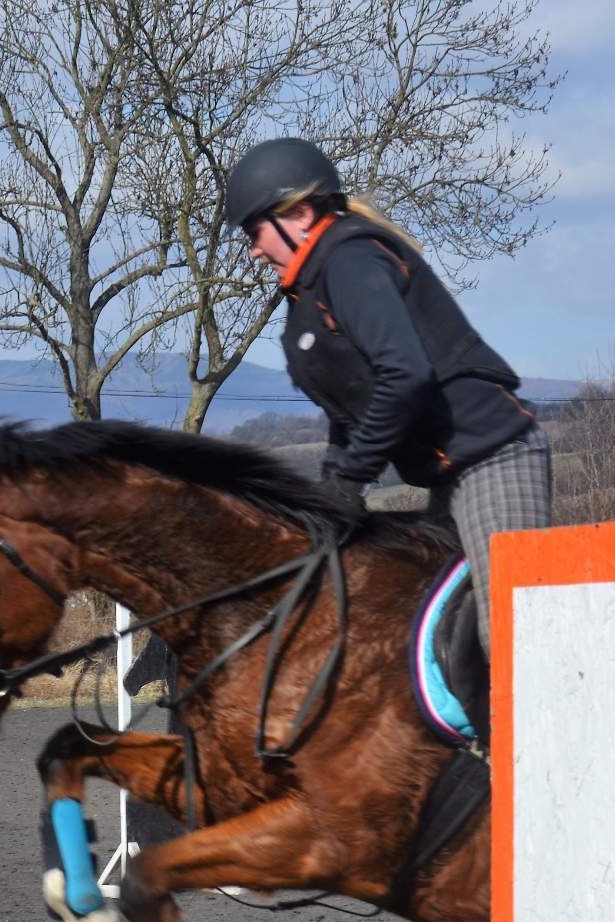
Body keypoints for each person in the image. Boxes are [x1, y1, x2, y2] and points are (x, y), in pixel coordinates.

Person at [225, 136, 552, 657]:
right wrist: (331, 489)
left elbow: (405, 374)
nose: (253, 249)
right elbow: (349, 406)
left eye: (255, 230)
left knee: (508, 635)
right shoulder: (311, 289)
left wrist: (353, 477)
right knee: (427, 625)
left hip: (494, 457)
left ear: (301, 214)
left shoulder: (349, 260)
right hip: (448, 473)